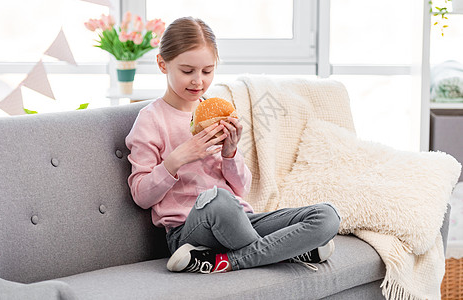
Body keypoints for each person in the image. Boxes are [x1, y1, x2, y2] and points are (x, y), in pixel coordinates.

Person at [125, 16, 341, 274]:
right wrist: (177, 159)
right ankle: (287, 251)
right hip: (189, 230)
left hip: (241, 221)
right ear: (162, 64)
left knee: (326, 216)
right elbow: (141, 196)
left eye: (207, 71)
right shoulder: (151, 119)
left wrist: (231, 153)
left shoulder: (214, 110)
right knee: (219, 201)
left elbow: (243, 189)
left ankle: (227, 261)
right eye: (187, 71)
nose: (198, 81)